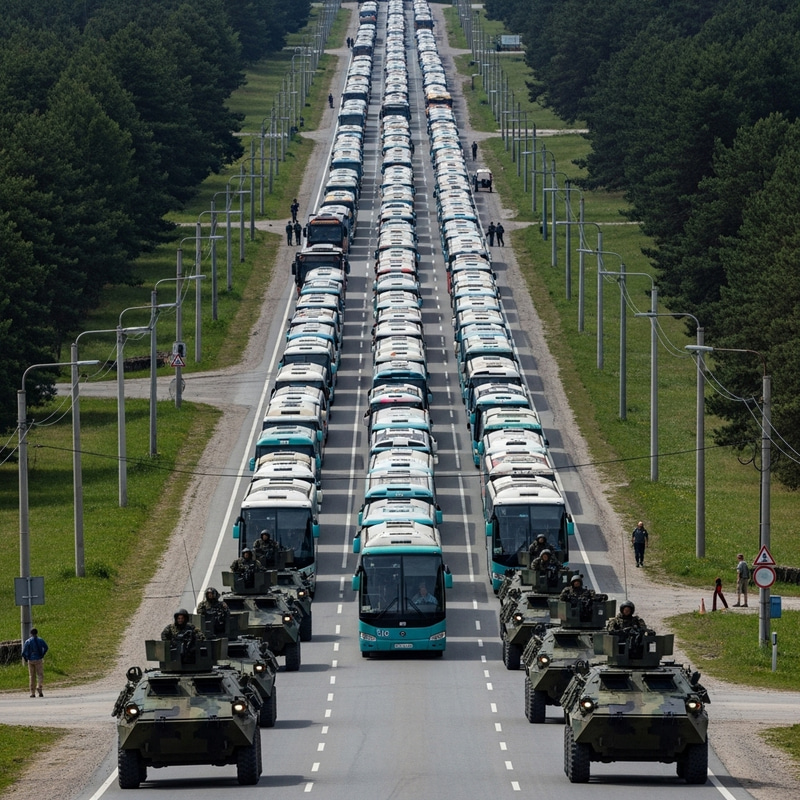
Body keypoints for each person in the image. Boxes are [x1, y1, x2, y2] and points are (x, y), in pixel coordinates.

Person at [22, 628, 48, 698]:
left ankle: (32, 692)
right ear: (37, 633)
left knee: (31, 676)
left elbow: (24, 652)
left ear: (31, 634)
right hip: (38, 659)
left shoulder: (28, 641)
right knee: (40, 674)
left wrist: (26, 658)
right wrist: (42, 654)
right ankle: (39, 686)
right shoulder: (40, 640)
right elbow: (46, 647)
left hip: (30, 660)